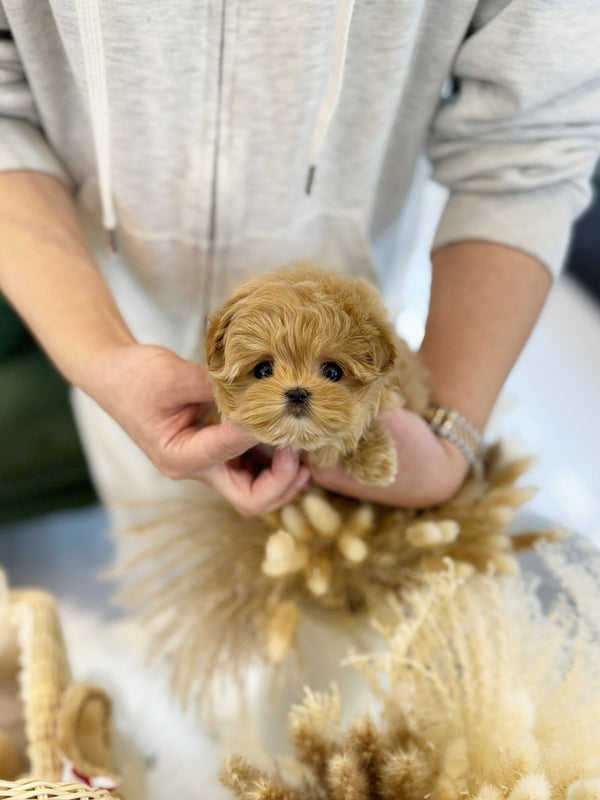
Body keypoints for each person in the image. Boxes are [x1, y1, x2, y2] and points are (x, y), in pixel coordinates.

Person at [0, 1, 598, 518]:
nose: (295, 391)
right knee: (164, 584)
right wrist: (104, 359)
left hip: (367, 304)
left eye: (326, 376)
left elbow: (532, 136)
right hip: (105, 317)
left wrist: (451, 436)